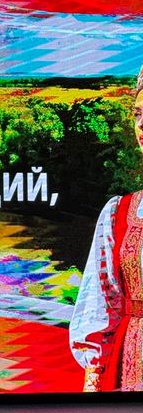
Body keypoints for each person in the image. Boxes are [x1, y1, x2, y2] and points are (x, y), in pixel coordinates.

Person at [69, 72, 143, 391]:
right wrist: (93, 384)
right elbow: (102, 305)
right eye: (138, 114)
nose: (142, 124)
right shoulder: (120, 213)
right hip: (134, 369)